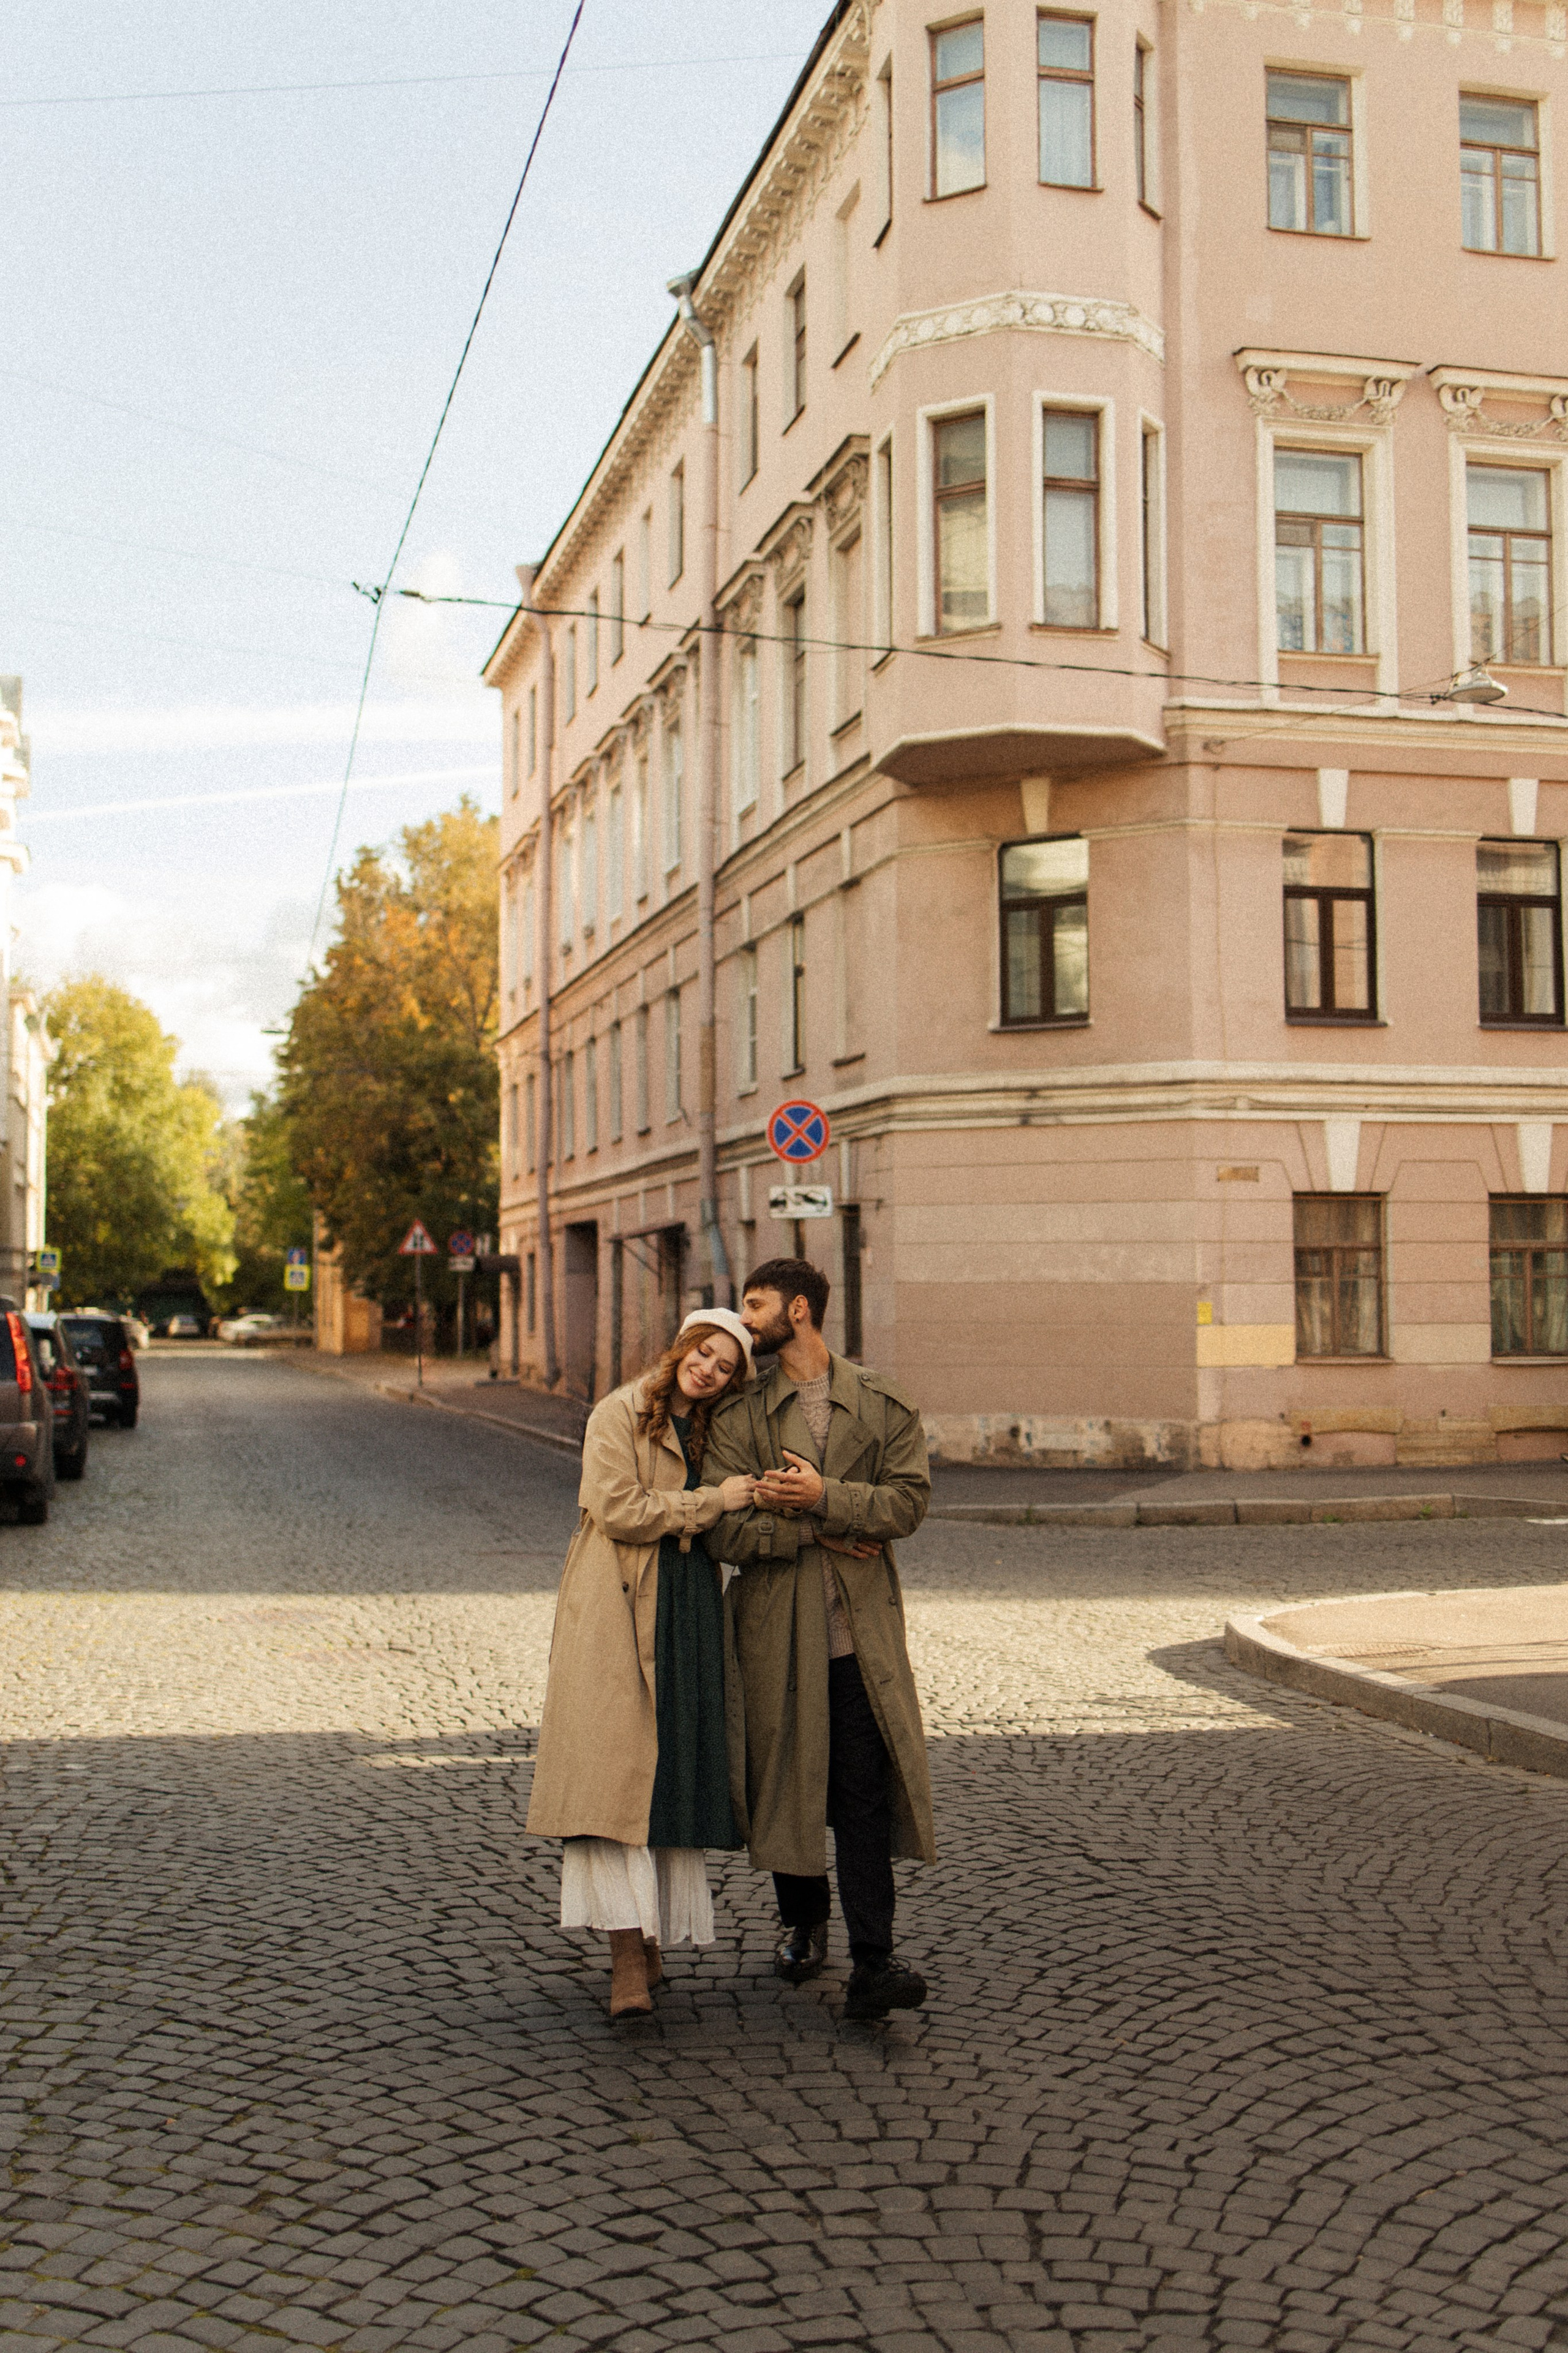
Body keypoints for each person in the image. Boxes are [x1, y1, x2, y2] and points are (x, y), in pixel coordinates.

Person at [706, 1258, 935, 2022]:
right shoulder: (738, 1416)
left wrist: (825, 1495)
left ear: (798, 1311)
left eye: (755, 1305)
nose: (746, 1320)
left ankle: (876, 1957)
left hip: (859, 1639)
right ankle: (803, 1926)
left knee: (864, 1795)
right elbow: (724, 1529)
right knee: (787, 1784)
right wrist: (816, 1529)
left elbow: (907, 1502)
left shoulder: (880, 1401)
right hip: (774, 1633)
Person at [526, 1310, 756, 2018]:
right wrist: (708, 1503)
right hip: (615, 1604)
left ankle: (651, 1943)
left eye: (725, 1366)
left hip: (685, 1604)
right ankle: (627, 1955)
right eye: (704, 1353)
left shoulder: (714, 1429)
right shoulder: (618, 1411)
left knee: (668, 1781)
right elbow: (617, 1507)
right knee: (613, 1778)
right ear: (682, 1347)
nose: (709, 1369)